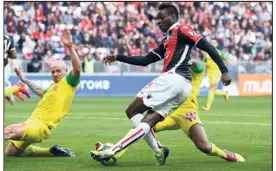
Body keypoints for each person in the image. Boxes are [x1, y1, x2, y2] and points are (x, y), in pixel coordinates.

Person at [90, 3, 231, 166]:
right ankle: (159, 151)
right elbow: (145, 60)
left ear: (173, 17)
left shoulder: (182, 29)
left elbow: (206, 45)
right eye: (157, 19)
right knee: (148, 120)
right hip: (182, 89)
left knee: (132, 110)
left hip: (173, 79)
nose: (158, 21)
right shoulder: (167, 40)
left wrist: (224, 70)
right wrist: (118, 57)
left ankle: (114, 150)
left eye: (161, 18)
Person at [4, 29, 81, 157]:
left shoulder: (69, 83)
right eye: (52, 72)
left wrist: (70, 47)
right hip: (31, 121)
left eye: (58, 71)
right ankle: (52, 151)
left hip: (40, 126)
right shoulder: (52, 87)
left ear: (65, 71)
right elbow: (40, 91)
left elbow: (77, 68)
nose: (55, 74)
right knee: (10, 153)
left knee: (8, 131)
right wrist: (25, 80)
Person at [202, 40, 230, 111]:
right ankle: (224, 93)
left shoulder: (220, 52)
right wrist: (204, 71)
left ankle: (207, 106)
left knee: (212, 87)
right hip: (210, 73)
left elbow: (227, 59)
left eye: (214, 43)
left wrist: (224, 68)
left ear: (217, 44)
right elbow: (204, 63)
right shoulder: (206, 53)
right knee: (212, 89)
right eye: (211, 42)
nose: (212, 44)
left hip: (217, 72)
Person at [4, 33, 25, 104]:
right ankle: (14, 89)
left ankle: (16, 88)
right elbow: (13, 55)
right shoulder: (8, 37)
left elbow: (13, 55)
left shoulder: (8, 38)